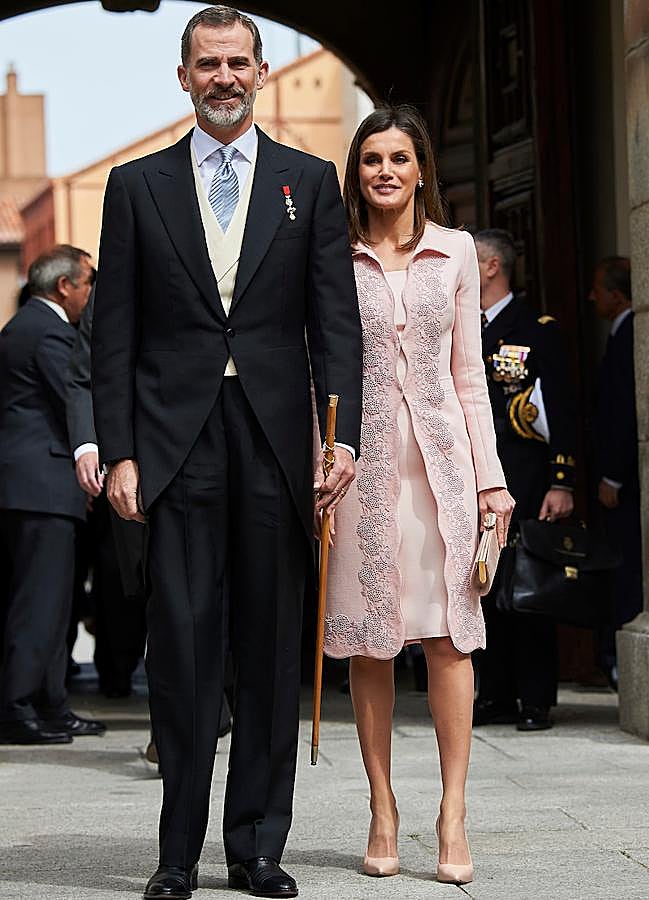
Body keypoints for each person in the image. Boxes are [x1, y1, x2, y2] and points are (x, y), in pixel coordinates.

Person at [91, 6, 362, 900]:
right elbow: (115, 334)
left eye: (238, 63)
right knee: (182, 648)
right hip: (175, 444)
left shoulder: (309, 182)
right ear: (183, 77)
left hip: (278, 441)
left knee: (270, 644)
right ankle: (177, 854)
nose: (224, 78)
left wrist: (342, 435)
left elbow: (336, 326)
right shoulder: (136, 186)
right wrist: (121, 450)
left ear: (260, 72)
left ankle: (255, 846)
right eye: (207, 65)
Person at [323, 105, 514, 887]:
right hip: (359, 472)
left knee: (446, 640)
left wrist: (492, 477)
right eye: (371, 160)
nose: (385, 172)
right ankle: (381, 807)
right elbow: (318, 369)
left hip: (444, 469)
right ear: (356, 173)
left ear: (421, 167)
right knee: (370, 643)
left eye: (399, 158)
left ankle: (452, 812)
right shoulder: (333, 254)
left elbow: (470, 374)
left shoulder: (457, 251)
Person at [0, 244, 105, 744]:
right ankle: (17, 706)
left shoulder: (23, 326)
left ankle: (50, 704)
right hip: (41, 487)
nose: (93, 292)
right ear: (65, 286)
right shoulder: (48, 333)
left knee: (53, 603)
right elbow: (74, 399)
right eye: (89, 282)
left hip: (35, 488)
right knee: (39, 604)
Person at [472, 228, 576, 731]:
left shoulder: (536, 328)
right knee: (484, 586)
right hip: (475, 476)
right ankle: (492, 692)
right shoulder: (463, 324)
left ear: (491, 266)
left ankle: (534, 697)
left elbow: (563, 409)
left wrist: (563, 480)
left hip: (528, 478)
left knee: (527, 588)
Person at [66, 287, 148, 698]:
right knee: (123, 580)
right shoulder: (114, 286)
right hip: (130, 459)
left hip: (208, 453)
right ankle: (117, 672)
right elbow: (84, 373)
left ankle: (210, 700)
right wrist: (89, 445)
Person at [590, 256, 642, 687]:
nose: (592, 297)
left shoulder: (630, 335)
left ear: (617, 294)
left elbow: (626, 411)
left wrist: (613, 476)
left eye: (598, 289)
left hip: (624, 481)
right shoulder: (621, 332)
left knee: (624, 566)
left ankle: (616, 658)